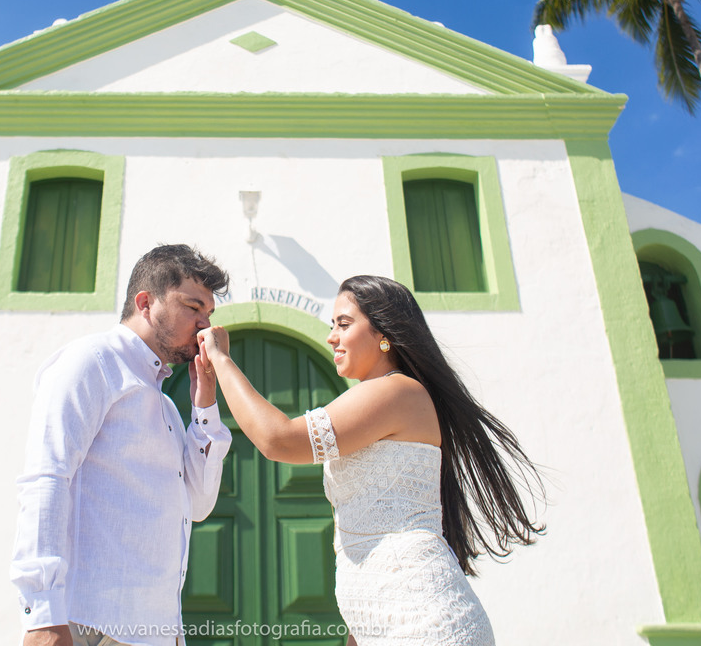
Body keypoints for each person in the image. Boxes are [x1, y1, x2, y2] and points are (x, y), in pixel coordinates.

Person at [194, 275, 543, 646]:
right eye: (332, 326)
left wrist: (220, 358)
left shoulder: (397, 392)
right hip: (381, 626)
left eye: (343, 324)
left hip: (427, 627)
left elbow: (279, 440)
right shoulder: (380, 397)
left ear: (384, 333)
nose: (331, 337)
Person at [11, 245, 232, 646]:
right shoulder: (91, 361)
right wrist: (42, 616)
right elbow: (46, 477)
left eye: (209, 315)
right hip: (90, 625)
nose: (205, 328)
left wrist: (204, 407)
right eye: (192, 307)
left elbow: (198, 506)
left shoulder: (165, 406)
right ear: (145, 303)